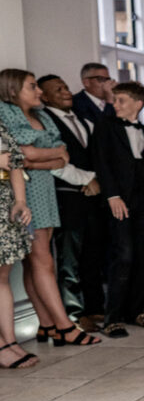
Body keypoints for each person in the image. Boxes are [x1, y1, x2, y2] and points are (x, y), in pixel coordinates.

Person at [0, 69, 100, 346]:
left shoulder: (43, 116)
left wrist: (38, 156)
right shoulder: (6, 113)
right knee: (43, 260)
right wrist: (44, 155)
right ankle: (65, 326)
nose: (39, 91)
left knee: (38, 262)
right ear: (12, 90)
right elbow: (22, 156)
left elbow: (62, 156)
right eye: (32, 86)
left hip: (45, 190)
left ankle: (47, 325)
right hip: (24, 191)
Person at [93, 81, 144, 338]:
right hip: (118, 200)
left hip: (143, 201)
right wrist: (112, 195)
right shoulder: (106, 127)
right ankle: (112, 317)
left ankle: (135, 310)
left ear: (138, 103)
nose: (115, 104)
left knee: (141, 255)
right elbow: (101, 162)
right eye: (115, 100)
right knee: (122, 255)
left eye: (121, 100)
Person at [38, 74, 106, 332]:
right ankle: (74, 313)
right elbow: (56, 163)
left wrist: (96, 179)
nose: (66, 92)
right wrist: (86, 180)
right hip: (67, 196)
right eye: (58, 89)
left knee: (93, 252)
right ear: (45, 97)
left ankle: (95, 307)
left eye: (65, 87)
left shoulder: (85, 121)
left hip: (93, 198)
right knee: (69, 258)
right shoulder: (46, 122)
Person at [0, 116, 37, 367]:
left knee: (2, 276)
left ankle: (10, 341)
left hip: (4, 204)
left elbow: (14, 161)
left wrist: (20, 201)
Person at [72, 62, 115, 126]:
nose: (106, 83)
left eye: (108, 79)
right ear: (86, 82)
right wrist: (109, 101)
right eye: (101, 79)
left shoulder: (114, 99)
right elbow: (102, 129)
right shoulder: (76, 102)